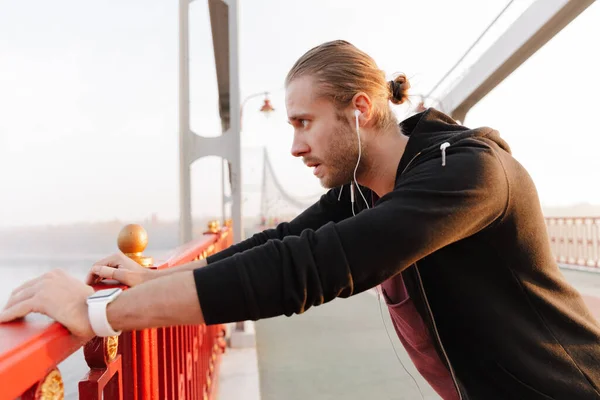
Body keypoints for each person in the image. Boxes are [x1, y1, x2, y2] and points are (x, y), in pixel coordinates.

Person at [2, 40, 600, 399]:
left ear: (359, 110)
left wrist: (97, 315)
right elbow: (288, 240)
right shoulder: (372, 183)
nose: (294, 147)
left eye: (302, 123)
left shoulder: (465, 173)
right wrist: (150, 280)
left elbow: (310, 269)